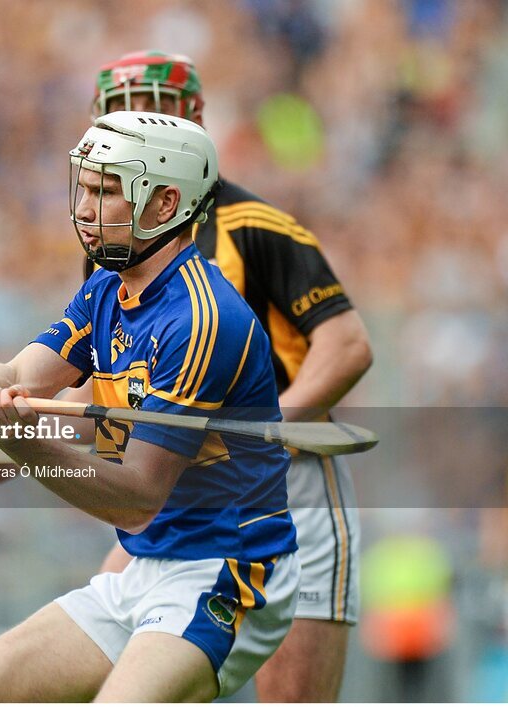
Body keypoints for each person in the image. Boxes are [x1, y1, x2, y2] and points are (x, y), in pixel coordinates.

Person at [0, 112, 300, 702]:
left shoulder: (202, 320)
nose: (85, 208)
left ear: (166, 203)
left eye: (108, 191)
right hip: (140, 572)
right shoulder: (107, 286)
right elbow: (25, 375)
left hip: (225, 570)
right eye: (87, 187)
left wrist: (15, 439)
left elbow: (137, 497)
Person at [79, 50, 373, 702]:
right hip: (178, 490)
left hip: (284, 480)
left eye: (150, 108)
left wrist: (272, 422)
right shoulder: (106, 249)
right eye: (121, 112)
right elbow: (102, 375)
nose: (135, 126)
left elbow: (347, 343)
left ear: (194, 119)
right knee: (102, 669)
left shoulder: (255, 226)